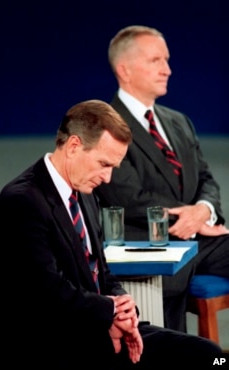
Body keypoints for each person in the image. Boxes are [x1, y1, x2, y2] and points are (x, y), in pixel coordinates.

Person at [0, 100, 222, 370]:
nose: (107, 178)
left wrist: (123, 306)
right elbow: (46, 293)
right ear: (73, 146)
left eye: (113, 168)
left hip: (95, 332)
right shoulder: (22, 202)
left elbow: (101, 272)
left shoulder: (84, 194)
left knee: (213, 357)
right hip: (45, 348)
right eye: (103, 164)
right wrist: (110, 312)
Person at [94, 25, 229, 332]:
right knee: (170, 351)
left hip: (199, 241)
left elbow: (207, 178)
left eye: (167, 60)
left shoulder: (178, 121)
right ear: (124, 70)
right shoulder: (105, 125)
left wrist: (204, 210)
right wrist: (191, 217)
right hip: (149, 245)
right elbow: (128, 198)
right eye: (156, 61)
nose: (168, 69)